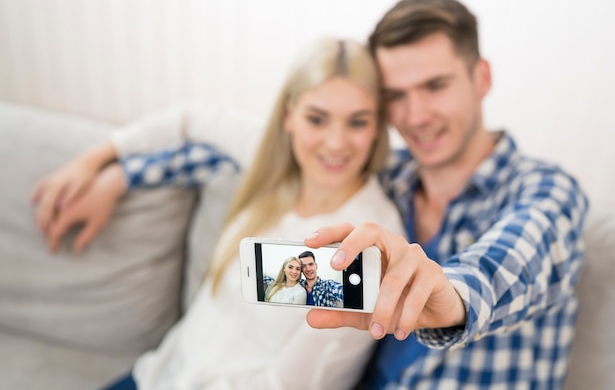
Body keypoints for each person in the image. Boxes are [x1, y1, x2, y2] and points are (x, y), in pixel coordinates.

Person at [33, 37, 405, 389]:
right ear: (288, 117)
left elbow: (288, 384)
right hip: (157, 375)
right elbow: (189, 120)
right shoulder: (273, 163)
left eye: (357, 121)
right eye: (317, 119)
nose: (336, 142)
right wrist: (97, 162)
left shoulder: (367, 240)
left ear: (377, 128)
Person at [303, 0, 589, 389]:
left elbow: (512, 263)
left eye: (435, 86)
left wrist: (449, 295)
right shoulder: (383, 177)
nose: (416, 116)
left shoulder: (546, 189)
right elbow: (280, 153)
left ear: (481, 78)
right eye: (396, 96)